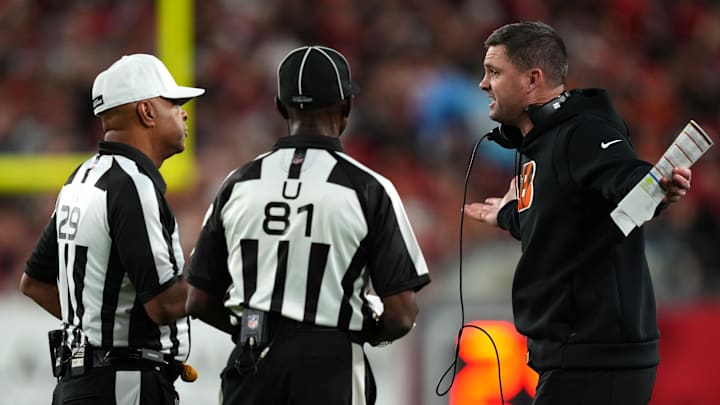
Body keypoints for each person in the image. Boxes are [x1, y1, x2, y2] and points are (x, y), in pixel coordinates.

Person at [185, 45, 431, 405]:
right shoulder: (368, 189)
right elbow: (401, 314)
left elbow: (198, 299)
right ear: (346, 106)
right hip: (329, 362)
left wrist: (254, 331)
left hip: (251, 358)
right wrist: (359, 335)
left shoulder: (237, 183)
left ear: (280, 107)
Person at [463, 22, 692, 405]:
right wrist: (507, 216)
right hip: (575, 356)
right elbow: (561, 223)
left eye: (495, 72)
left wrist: (659, 188)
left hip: (597, 358)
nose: (483, 84)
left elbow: (628, 178)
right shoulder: (541, 140)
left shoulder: (582, 132)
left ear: (532, 79)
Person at [20, 53, 205, 405]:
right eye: (174, 103)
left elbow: (35, 282)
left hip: (78, 384)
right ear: (147, 112)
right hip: (124, 385)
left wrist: (97, 331)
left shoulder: (82, 178)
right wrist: (220, 268)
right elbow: (164, 304)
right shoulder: (132, 185)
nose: (183, 113)